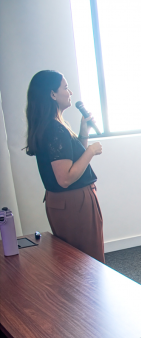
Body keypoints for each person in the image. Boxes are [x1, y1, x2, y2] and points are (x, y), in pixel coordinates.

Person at [25, 70, 103, 262]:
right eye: (65, 88)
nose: (70, 93)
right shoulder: (55, 129)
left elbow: (73, 161)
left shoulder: (51, 126)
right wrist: (91, 151)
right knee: (87, 262)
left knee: (74, 262)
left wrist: (84, 129)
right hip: (74, 202)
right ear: (52, 94)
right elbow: (66, 178)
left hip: (63, 202)